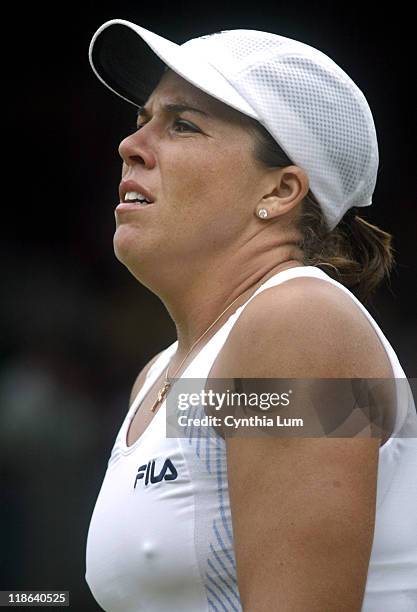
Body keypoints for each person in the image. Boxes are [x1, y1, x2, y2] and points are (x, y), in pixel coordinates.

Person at [85, 19, 417, 612]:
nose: (130, 145)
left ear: (282, 190)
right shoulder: (157, 377)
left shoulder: (298, 322)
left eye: (182, 124)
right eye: (144, 120)